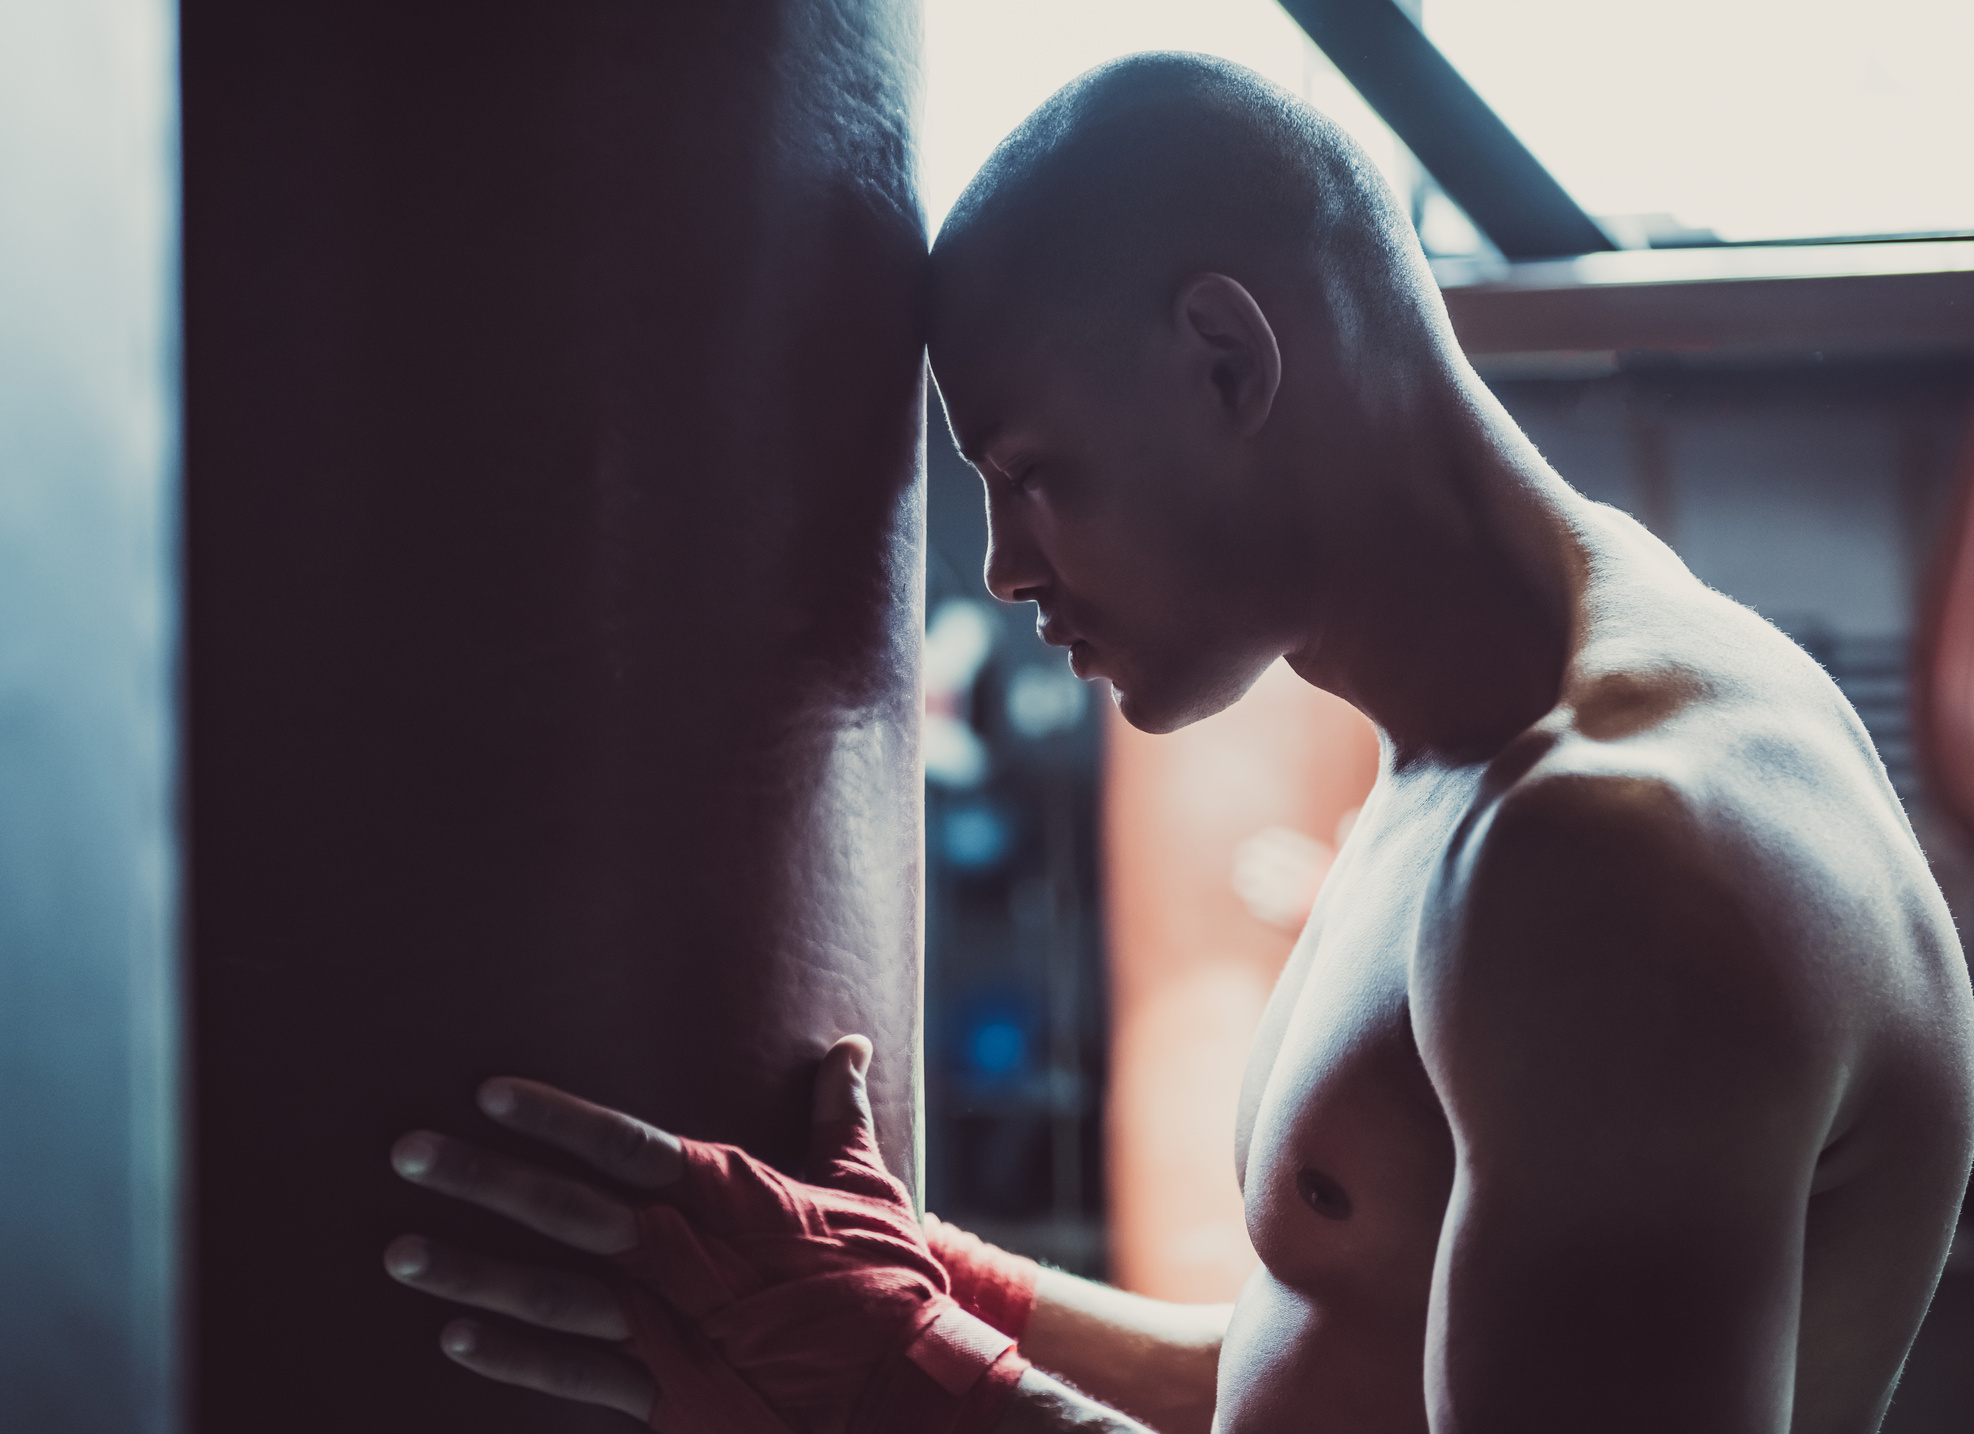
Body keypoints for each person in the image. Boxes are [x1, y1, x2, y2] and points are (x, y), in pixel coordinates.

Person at [380, 54, 1974, 1434]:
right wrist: (934, 1285)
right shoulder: (1478, 756)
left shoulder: (1616, 854)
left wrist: (908, 1383)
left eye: (1027, 468)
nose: (1001, 566)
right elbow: (1320, 1379)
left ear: (1227, 359)